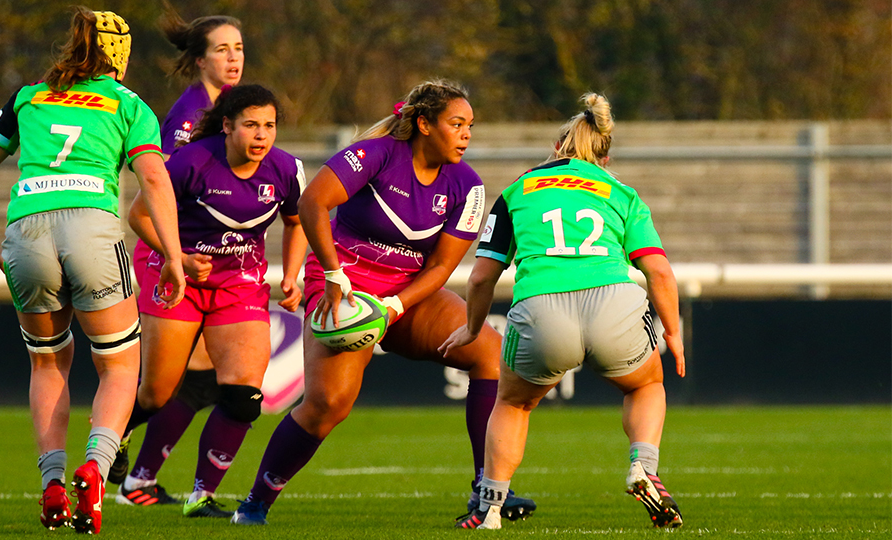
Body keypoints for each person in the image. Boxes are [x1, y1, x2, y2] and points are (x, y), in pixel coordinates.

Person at [231, 79, 536, 526]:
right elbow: (314, 202)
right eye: (457, 124)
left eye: (470, 125)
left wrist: (394, 306)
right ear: (425, 124)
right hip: (343, 281)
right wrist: (334, 274)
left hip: (408, 293)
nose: (467, 134)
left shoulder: (468, 186)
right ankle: (255, 502)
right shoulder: (376, 154)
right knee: (327, 404)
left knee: (491, 355)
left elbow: (439, 270)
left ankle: (486, 491)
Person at [0, 7, 185, 534]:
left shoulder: (28, 95)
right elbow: (154, 179)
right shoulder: (131, 105)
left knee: (48, 365)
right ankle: (96, 466)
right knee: (119, 368)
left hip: (27, 230)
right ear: (121, 55)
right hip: (91, 229)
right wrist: (173, 256)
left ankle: (53, 483)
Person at [440, 93, 686, 530]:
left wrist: (472, 328)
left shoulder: (517, 190)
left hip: (541, 308)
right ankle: (643, 467)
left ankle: (490, 507)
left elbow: (480, 278)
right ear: (604, 157)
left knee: (514, 404)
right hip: (613, 301)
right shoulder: (621, 193)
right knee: (646, 386)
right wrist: (672, 333)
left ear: (557, 149)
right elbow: (659, 273)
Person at [123, 83, 308, 519]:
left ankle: (201, 495)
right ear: (227, 126)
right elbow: (139, 215)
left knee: (244, 396)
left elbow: (297, 221)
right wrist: (179, 258)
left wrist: (293, 274)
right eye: (250, 125)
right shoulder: (191, 161)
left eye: (269, 126)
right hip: (175, 275)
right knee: (156, 392)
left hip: (239, 284)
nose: (261, 135)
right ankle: (115, 439)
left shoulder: (286, 170)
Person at [108, 7, 246, 511]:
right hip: (170, 256)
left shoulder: (233, 107)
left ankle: (138, 479)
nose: (234, 58)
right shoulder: (188, 118)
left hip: (206, 259)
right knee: (158, 389)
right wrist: (179, 253)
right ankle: (107, 443)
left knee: (203, 377)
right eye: (222, 50)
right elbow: (159, 194)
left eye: (238, 48)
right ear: (198, 59)